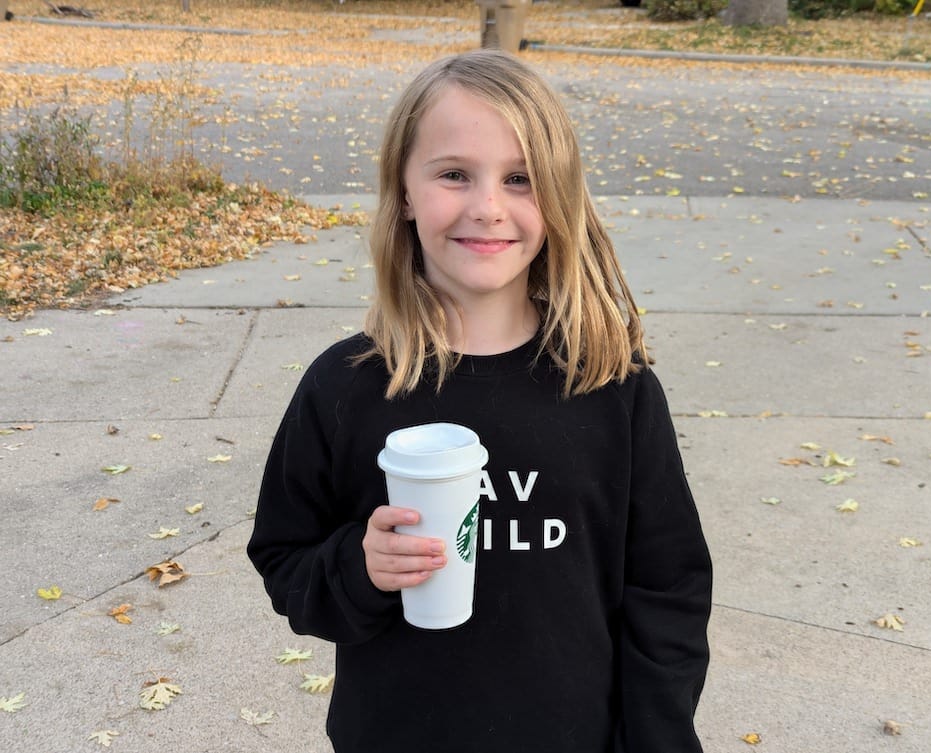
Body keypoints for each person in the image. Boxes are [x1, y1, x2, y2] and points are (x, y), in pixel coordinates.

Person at [247, 49, 712, 753]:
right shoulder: (343, 386)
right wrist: (360, 568)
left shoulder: (612, 384)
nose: (488, 207)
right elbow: (284, 559)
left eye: (521, 179)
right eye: (454, 174)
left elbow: (668, 589)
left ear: (559, 197)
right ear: (403, 191)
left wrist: (657, 739)